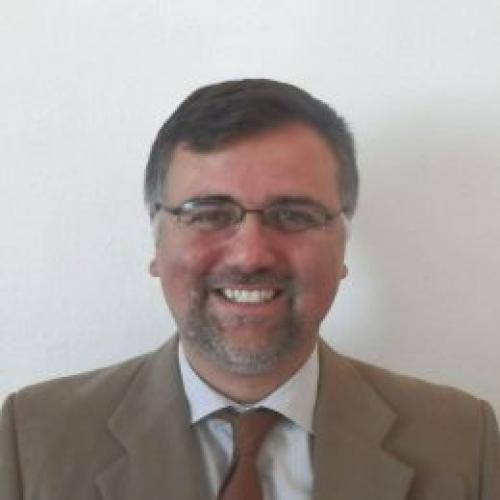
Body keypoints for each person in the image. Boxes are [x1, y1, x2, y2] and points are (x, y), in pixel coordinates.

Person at [1, 79, 499, 500]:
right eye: (209, 214)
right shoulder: (32, 440)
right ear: (157, 242)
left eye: (293, 215)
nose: (250, 255)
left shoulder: (461, 443)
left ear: (342, 245)